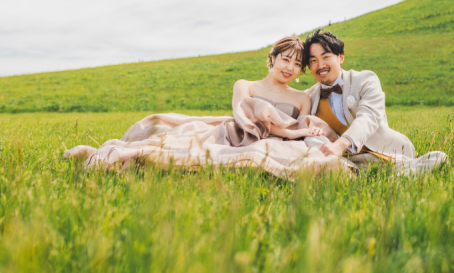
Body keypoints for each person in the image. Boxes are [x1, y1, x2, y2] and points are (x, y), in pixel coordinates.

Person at [64, 36, 343, 180]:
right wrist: (270, 118)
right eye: (285, 59)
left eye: (296, 64)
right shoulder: (245, 84)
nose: (290, 68)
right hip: (235, 134)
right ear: (272, 59)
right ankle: (119, 153)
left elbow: (298, 126)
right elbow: (242, 114)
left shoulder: (300, 99)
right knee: (182, 146)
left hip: (271, 142)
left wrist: (299, 131)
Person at [302, 29, 416, 162]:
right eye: (313, 60)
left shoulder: (365, 79)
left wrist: (341, 144)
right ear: (309, 67)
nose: (320, 65)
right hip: (342, 160)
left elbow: (369, 116)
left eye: (326, 57)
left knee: (437, 158)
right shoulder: (308, 97)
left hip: (383, 152)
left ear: (341, 57)